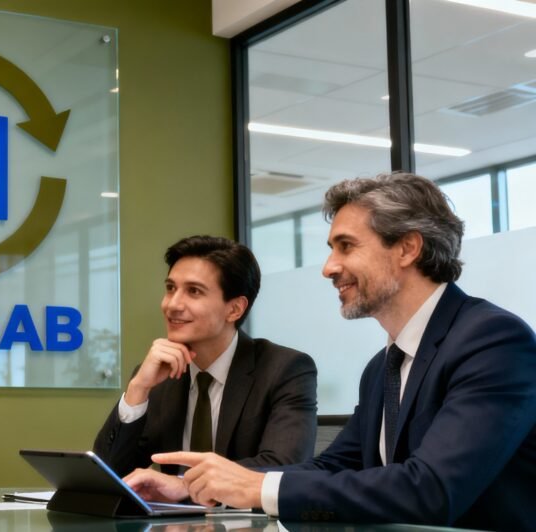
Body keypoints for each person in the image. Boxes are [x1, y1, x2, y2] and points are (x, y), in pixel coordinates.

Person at [124, 173, 536, 529]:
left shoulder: (492, 341)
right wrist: (193, 485)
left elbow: (431, 490)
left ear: (408, 248)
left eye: (346, 246)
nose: (328, 267)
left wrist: (259, 486)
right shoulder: (382, 366)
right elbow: (331, 466)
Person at [92, 235, 318, 477]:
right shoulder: (159, 377)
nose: (172, 304)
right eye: (170, 288)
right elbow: (105, 474)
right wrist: (138, 388)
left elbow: (283, 467)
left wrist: (183, 485)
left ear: (234, 309)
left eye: (194, 291)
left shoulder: (285, 370)